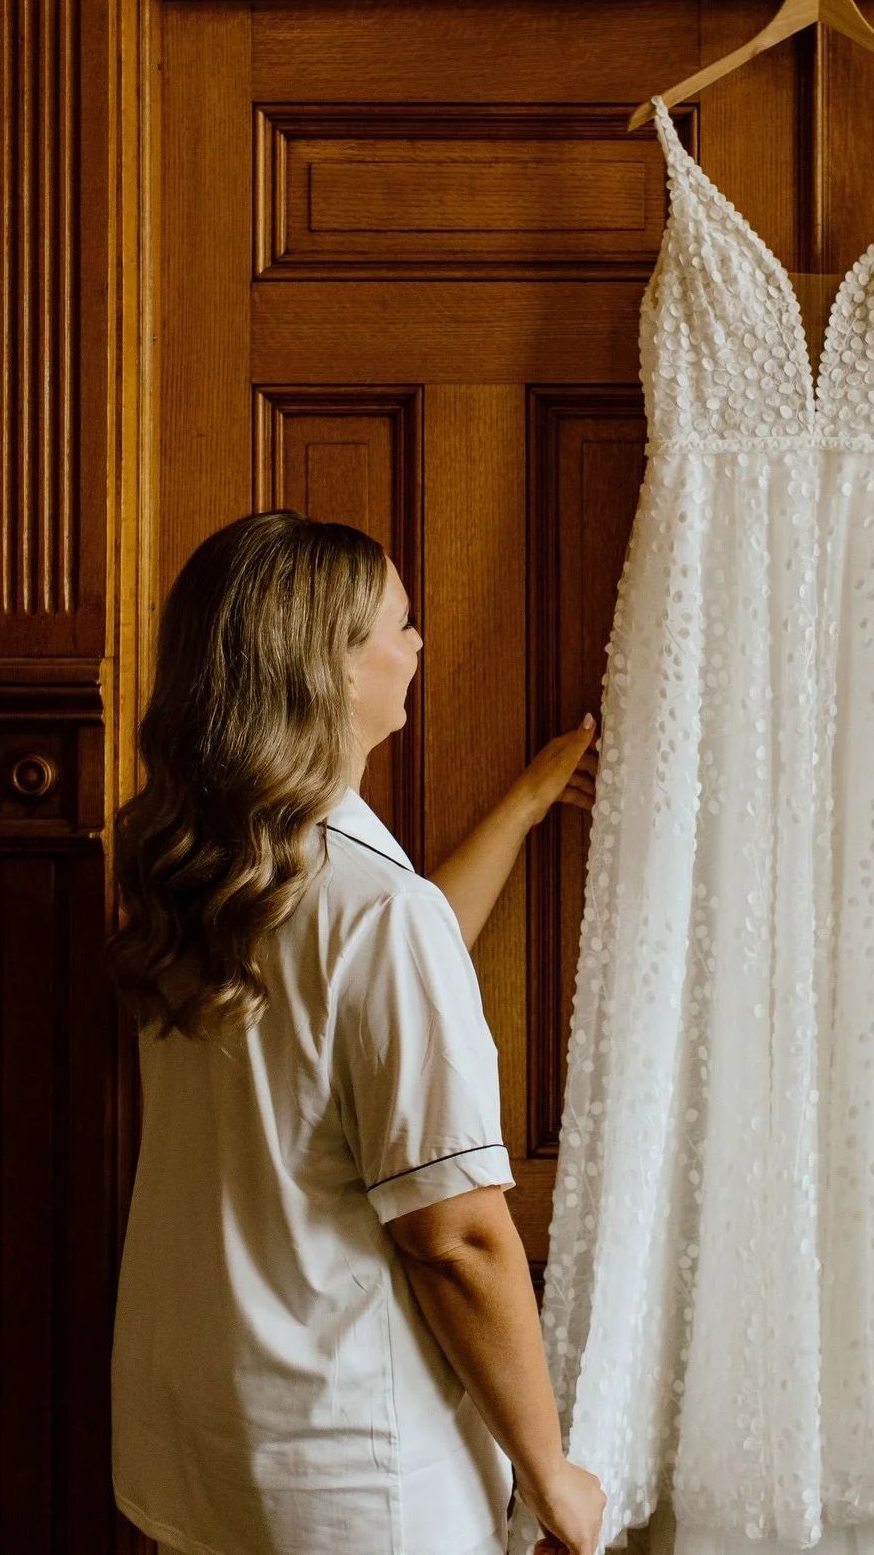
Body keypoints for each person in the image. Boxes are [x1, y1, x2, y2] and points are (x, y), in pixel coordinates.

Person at [108, 511, 607, 1555]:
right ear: (327, 670)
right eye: (400, 625)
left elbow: (373, 993)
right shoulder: (376, 916)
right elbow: (457, 1238)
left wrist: (519, 809)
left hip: (197, 1443)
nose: (417, 646)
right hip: (352, 1475)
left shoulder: (202, 874)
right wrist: (550, 1471)